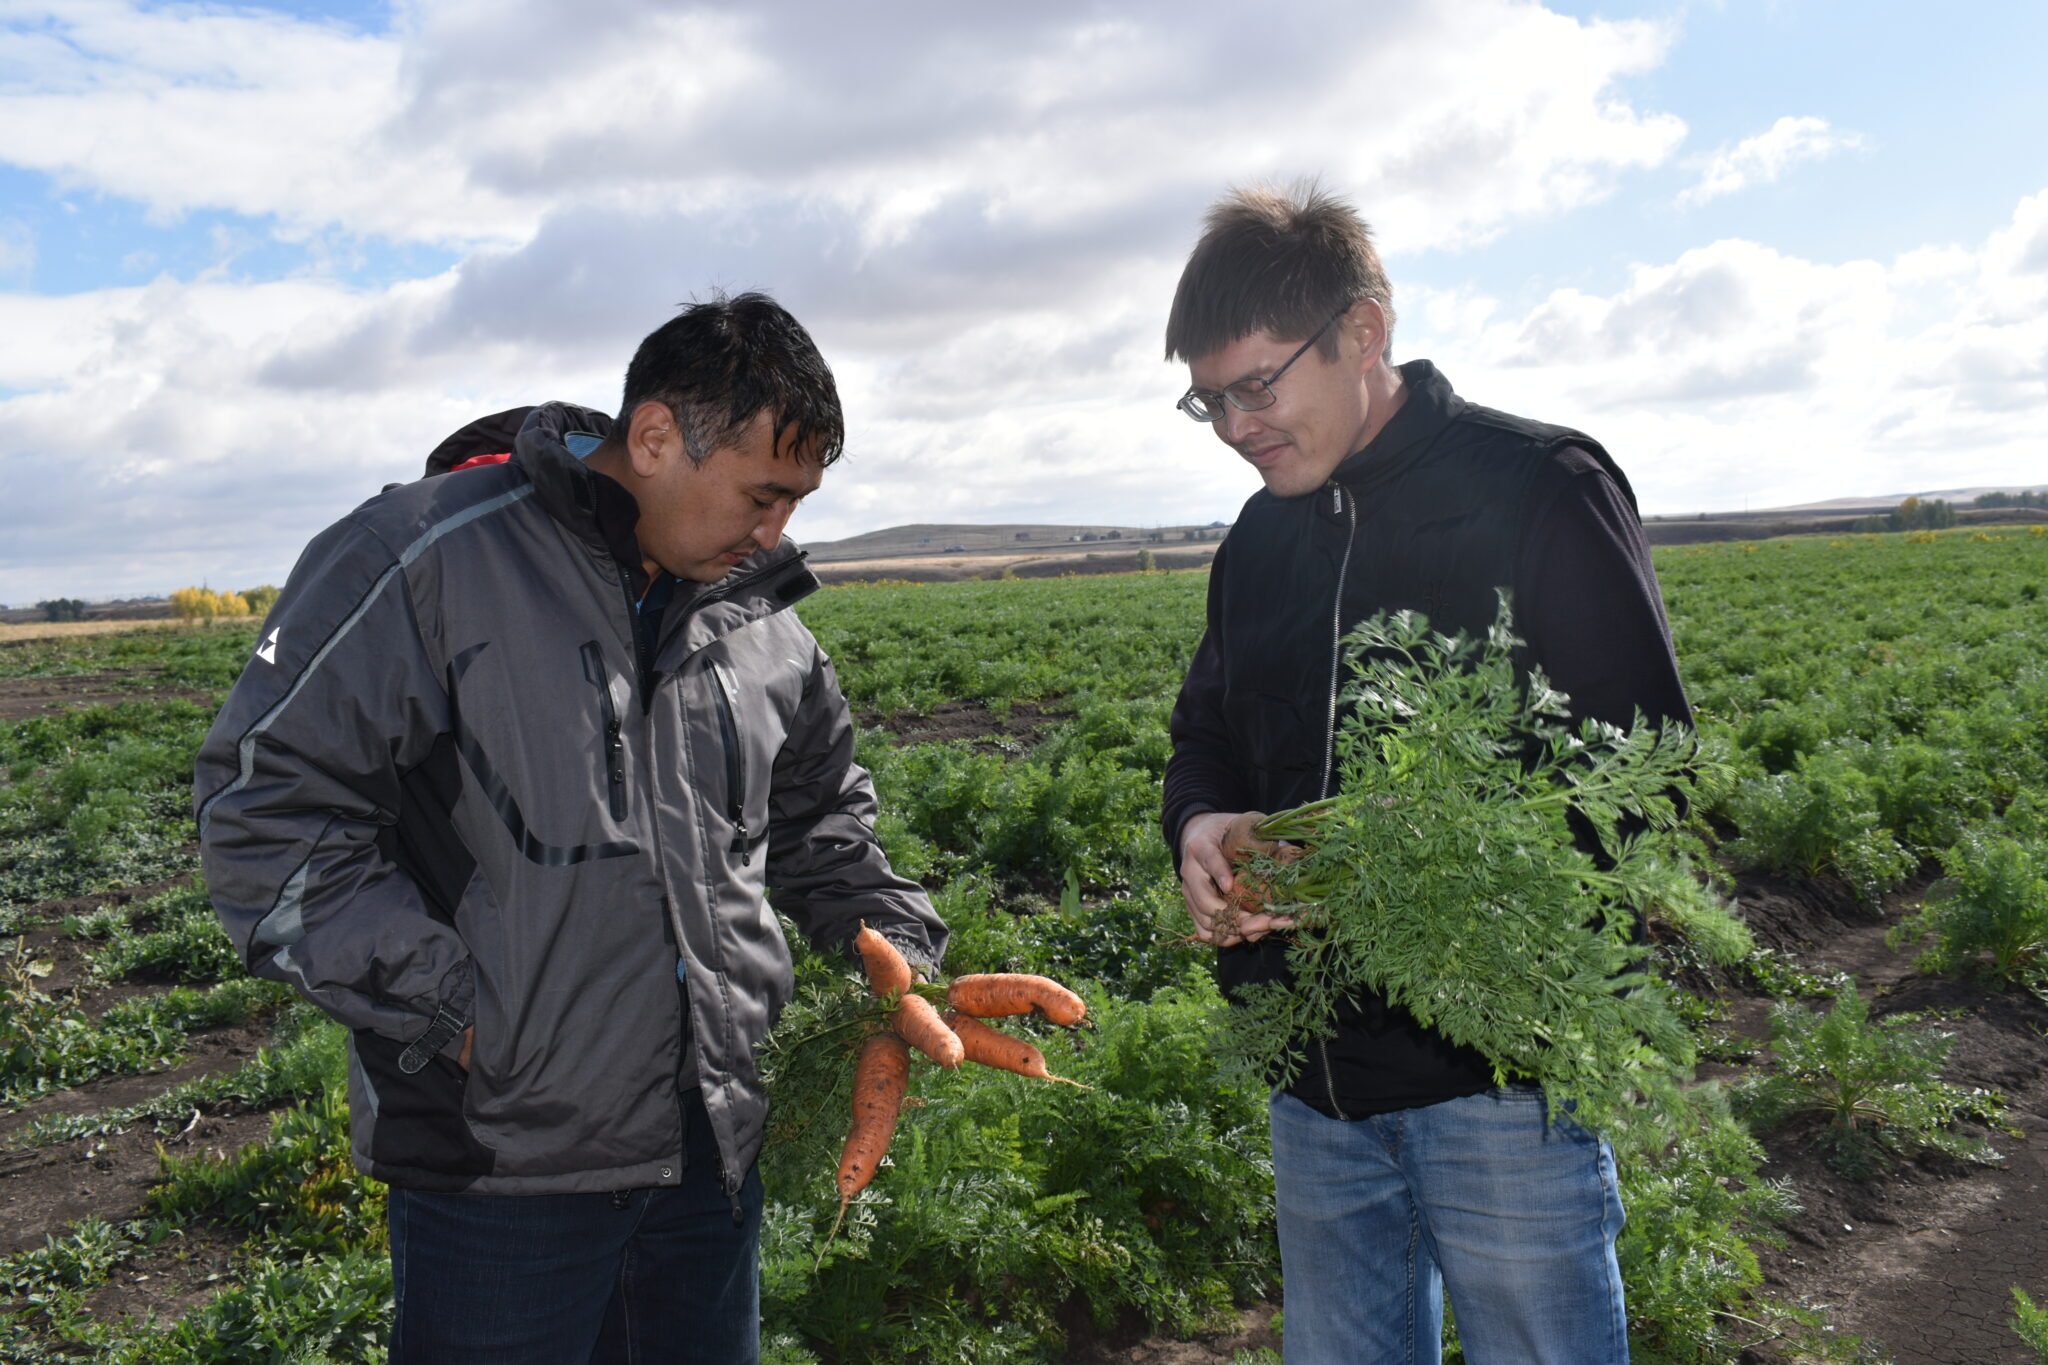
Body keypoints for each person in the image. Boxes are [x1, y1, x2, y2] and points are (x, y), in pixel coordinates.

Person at [194, 292, 947, 1364]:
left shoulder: (763, 627)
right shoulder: (424, 561)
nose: (776, 532)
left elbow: (825, 825)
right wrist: (456, 1012)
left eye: (797, 501)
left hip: (710, 1158)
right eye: (762, 495)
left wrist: (895, 956)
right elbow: (262, 811)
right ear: (653, 439)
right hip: (502, 1165)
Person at [1160, 184, 1690, 1364]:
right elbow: (1202, 730)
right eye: (1209, 400)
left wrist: (1401, 874)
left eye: (1257, 386)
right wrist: (1199, 824)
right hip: (1314, 1091)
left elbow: (1641, 778)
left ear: (1363, 331)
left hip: (1495, 1081)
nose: (1235, 426)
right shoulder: (1257, 541)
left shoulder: (1537, 489)